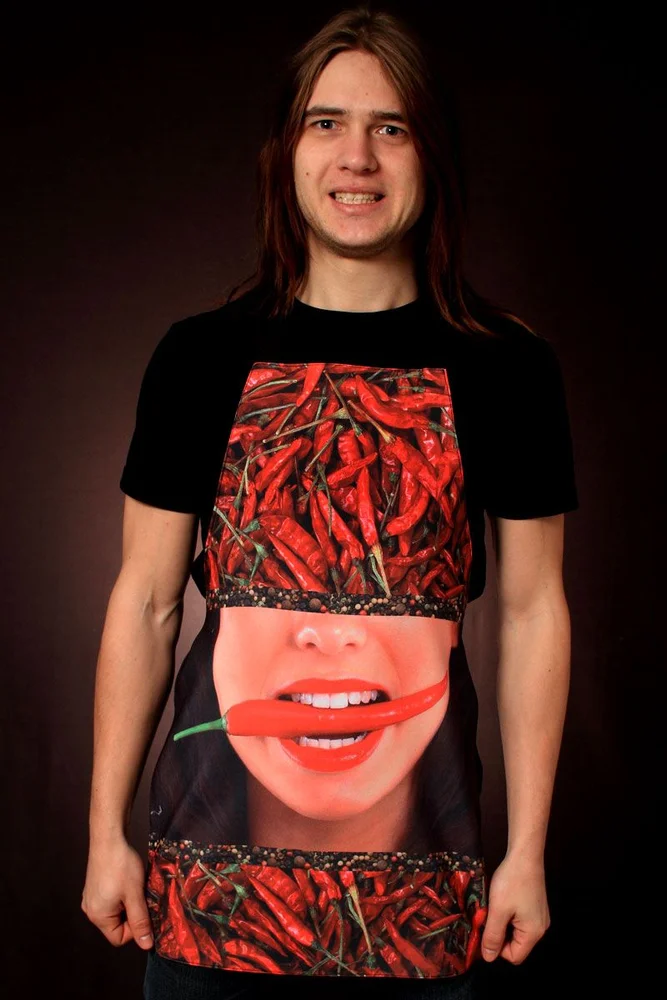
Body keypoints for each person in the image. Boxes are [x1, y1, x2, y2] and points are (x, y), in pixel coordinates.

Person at [81, 5, 579, 999]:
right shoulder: (198, 358)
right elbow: (145, 602)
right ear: (287, 152)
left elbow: (532, 613)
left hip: (430, 905)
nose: (357, 158)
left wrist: (526, 850)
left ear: (431, 155)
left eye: (390, 128)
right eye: (326, 124)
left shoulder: (507, 367)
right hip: (204, 905)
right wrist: (104, 835)